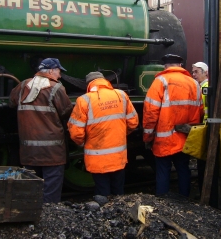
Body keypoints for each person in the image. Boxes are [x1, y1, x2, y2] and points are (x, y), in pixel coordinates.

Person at [9, 58, 73, 203]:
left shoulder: (22, 85)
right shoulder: (56, 88)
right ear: (51, 71)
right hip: (52, 152)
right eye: (58, 71)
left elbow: (11, 102)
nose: (60, 75)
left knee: (31, 189)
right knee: (50, 193)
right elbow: (66, 111)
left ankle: (32, 216)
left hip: (28, 150)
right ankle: (49, 218)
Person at [68, 71, 138, 197]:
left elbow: (76, 133)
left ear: (89, 84)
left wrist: (83, 143)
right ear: (105, 81)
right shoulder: (121, 95)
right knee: (118, 191)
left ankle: (105, 213)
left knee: (102, 191)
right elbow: (133, 123)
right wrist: (121, 134)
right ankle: (120, 212)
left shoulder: (84, 100)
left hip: (97, 158)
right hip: (118, 157)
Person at [143, 54, 203, 197]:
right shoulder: (194, 83)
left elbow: (150, 111)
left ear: (165, 67)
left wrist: (147, 136)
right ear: (180, 66)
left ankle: (163, 201)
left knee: (163, 170)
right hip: (185, 137)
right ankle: (184, 198)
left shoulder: (160, 81)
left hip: (165, 139)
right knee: (183, 168)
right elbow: (200, 110)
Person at [192, 61, 209, 195]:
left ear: (205, 73)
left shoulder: (205, 87)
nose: (194, 75)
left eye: (196, 72)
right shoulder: (199, 87)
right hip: (202, 127)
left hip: (206, 128)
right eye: (193, 72)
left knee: (203, 161)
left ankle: (203, 190)